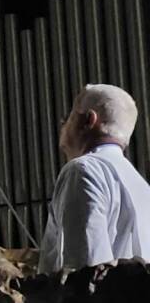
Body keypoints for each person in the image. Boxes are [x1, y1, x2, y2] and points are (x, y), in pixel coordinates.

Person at [39, 83, 150, 274]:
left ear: (89, 120)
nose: (63, 124)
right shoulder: (142, 187)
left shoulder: (83, 170)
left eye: (70, 116)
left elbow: (84, 269)